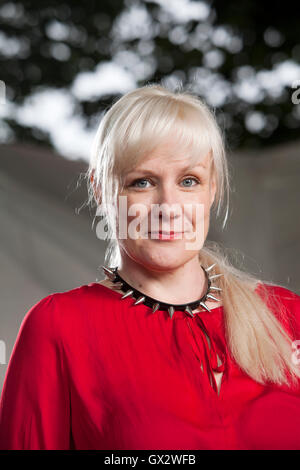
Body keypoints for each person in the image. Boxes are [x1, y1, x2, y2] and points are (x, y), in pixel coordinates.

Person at [0, 84, 300, 450]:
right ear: (100, 190)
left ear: (212, 190)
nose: (168, 206)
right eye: (142, 182)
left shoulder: (286, 315)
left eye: (189, 181)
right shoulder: (59, 326)